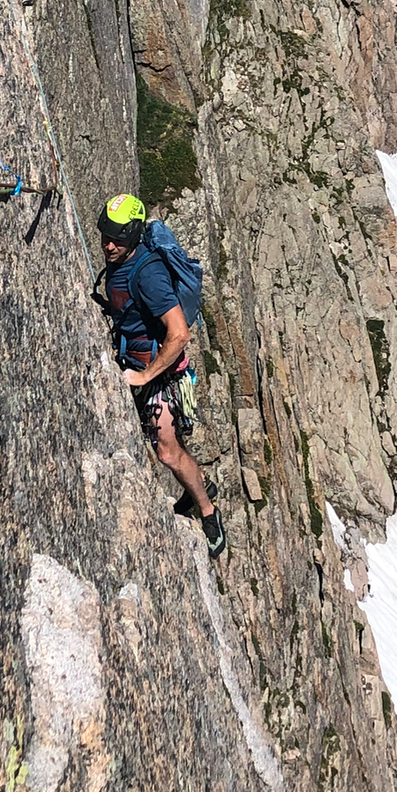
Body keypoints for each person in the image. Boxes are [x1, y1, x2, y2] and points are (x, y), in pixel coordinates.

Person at [96, 193, 226, 559]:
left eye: (118, 238)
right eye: (105, 235)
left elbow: (180, 334)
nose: (109, 244)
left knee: (168, 453)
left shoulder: (149, 274)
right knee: (166, 450)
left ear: (134, 236)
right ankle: (199, 489)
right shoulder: (124, 259)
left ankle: (207, 510)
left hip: (160, 374)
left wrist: (143, 376)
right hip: (139, 361)